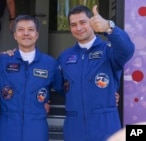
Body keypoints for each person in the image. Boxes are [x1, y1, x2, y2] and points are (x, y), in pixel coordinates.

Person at [57, 5, 135, 141]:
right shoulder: (64, 57)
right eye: (73, 25)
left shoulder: (108, 50)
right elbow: (58, 85)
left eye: (83, 22)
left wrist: (109, 28)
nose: (79, 28)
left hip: (105, 126)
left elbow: (127, 50)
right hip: (75, 128)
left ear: (92, 23)